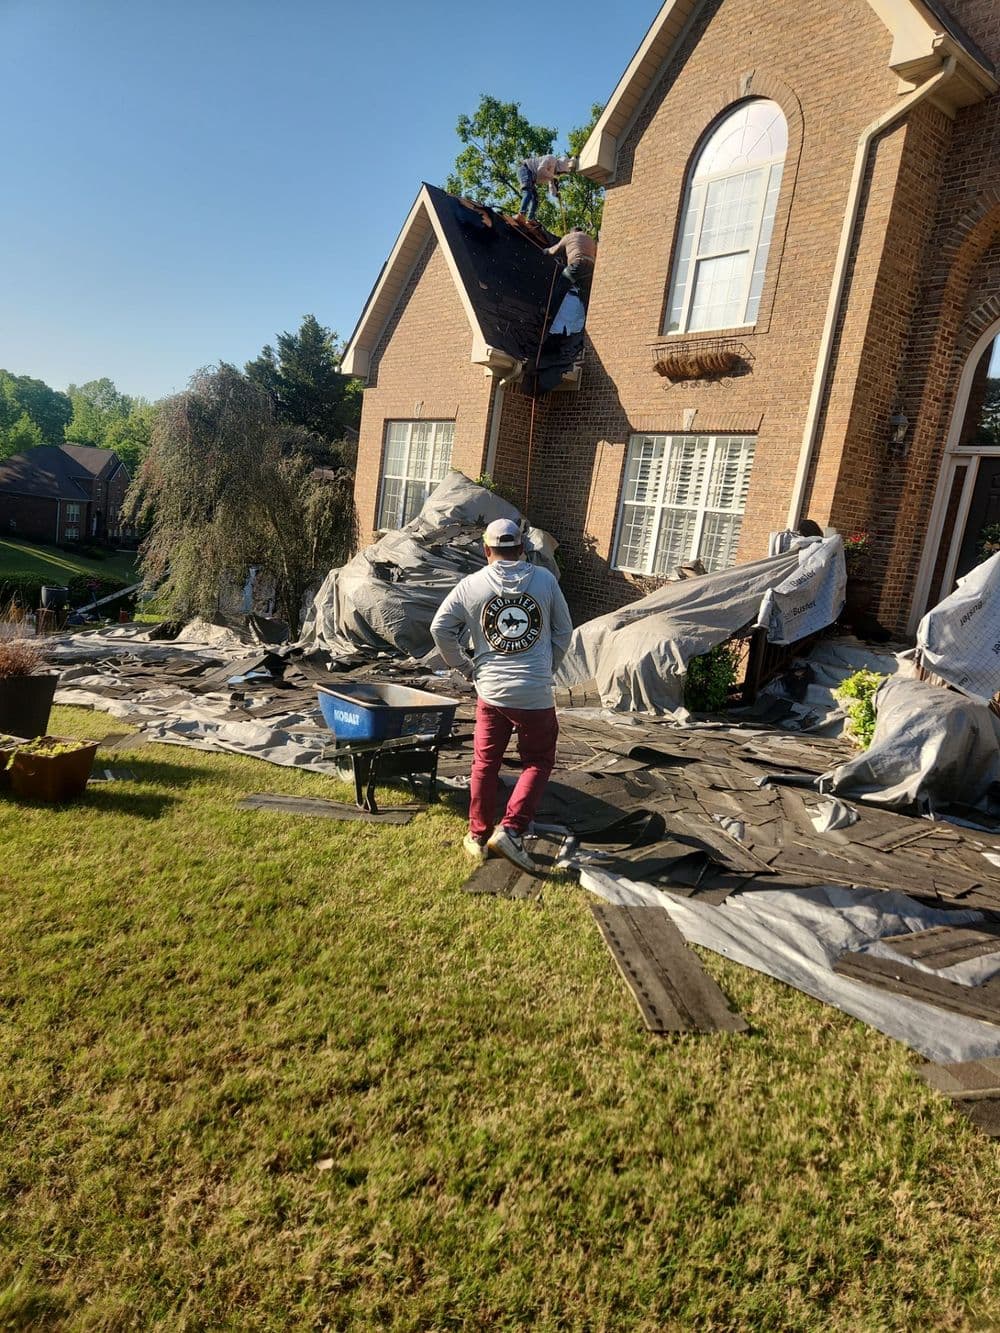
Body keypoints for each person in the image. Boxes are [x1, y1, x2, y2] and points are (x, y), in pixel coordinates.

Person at [430, 518, 573, 872]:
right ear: (523, 548)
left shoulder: (471, 585)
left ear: (486, 550)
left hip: (491, 692)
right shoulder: (545, 581)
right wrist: (546, 666)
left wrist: (466, 668)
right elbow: (564, 631)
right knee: (537, 761)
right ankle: (511, 829)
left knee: (485, 762)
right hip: (535, 694)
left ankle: (477, 835)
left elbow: (440, 628)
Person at [517, 154, 578, 222]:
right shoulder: (551, 159)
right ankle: (521, 214)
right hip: (526, 169)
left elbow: (551, 185)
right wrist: (553, 176)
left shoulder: (553, 173)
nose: (560, 174)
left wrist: (556, 194)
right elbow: (540, 169)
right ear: (561, 167)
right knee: (528, 192)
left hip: (532, 178)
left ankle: (530, 219)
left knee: (535, 199)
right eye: (561, 172)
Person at [545, 227, 598, 301]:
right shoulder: (591, 240)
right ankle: (586, 311)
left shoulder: (569, 236)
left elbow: (555, 249)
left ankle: (550, 309)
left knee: (562, 285)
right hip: (591, 268)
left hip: (577, 263)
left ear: (572, 231)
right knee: (585, 295)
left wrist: (546, 251)